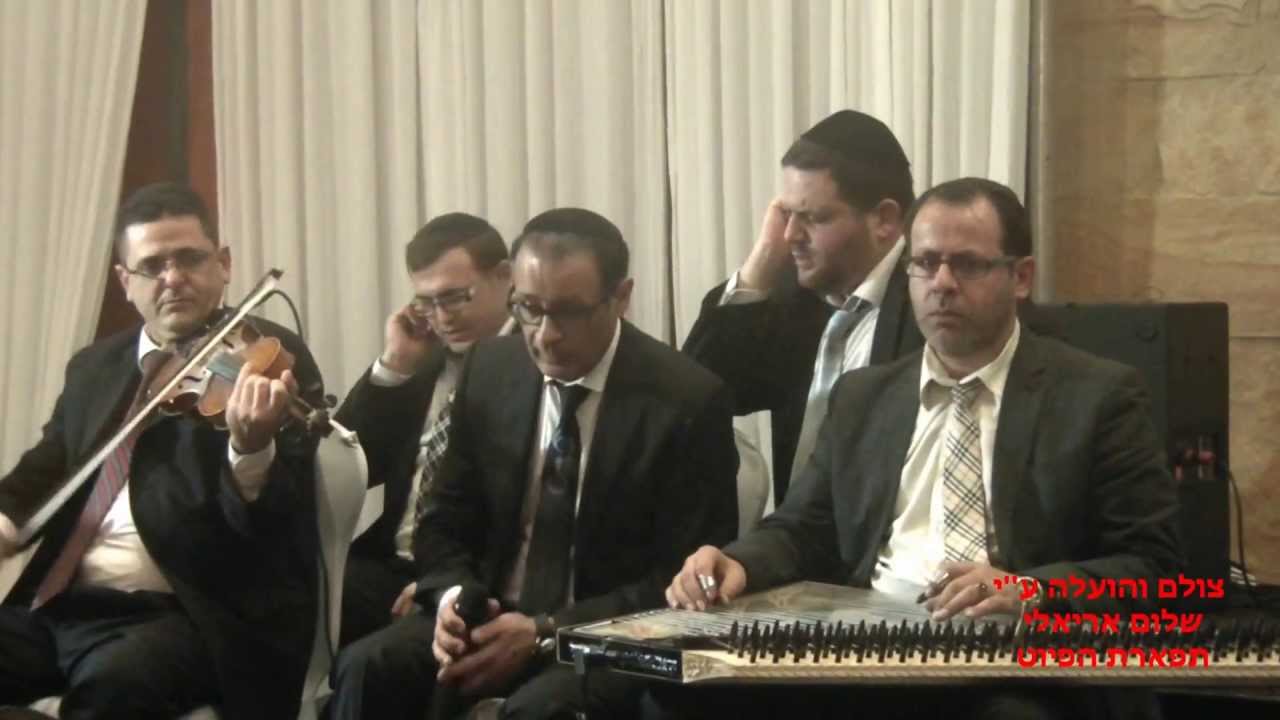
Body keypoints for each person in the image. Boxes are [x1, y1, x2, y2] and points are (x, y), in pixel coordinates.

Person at [660, 178, 1182, 719]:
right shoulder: (865, 396)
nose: (943, 283)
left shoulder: (1097, 396)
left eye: (968, 265)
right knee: (683, 691)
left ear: (1021, 277)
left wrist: (1031, 590)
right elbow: (803, 527)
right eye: (926, 263)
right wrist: (738, 561)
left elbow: (1156, 567)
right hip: (871, 653)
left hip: (1018, 664)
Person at [327, 208, 740, 720]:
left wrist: (546, 631)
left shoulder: (686, 400)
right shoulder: (491, 368)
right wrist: (452, 597)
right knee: (366, 667)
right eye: (527, 308)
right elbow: (443, 520)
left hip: (606, 632)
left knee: (537, 711)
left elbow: (681, 577)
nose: (545, 335)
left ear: (621, 297)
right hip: (492, 612)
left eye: (568, 312)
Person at [0, 182, 325, 719]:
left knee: (114, 687)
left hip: (183, 612)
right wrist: (6, 517)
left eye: (190, 259)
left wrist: (250, 449)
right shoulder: (95, 367)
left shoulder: (264, 358)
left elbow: (284, 521)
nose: (173, 278)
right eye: (152, 266)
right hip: (60, 605)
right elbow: (47, 465)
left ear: (224, 264)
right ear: (125, 281)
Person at [683, 109, 923, 505]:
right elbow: (699, 400)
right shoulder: (795, 301)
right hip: (788, 537)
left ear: (884, 219)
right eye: (786, 214)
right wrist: (761, 262)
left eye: (813, 217)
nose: (790, 235)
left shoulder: (930, 309)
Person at [334, 213, 513, 645]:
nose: (441, 318)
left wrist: (443, 583)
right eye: (426, 304)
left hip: (473, 576)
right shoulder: (425, 357)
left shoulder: (535, 365)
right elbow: (350, 462)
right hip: (390, 560)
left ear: (505, 277)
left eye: (453, 298)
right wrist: (394, 366)